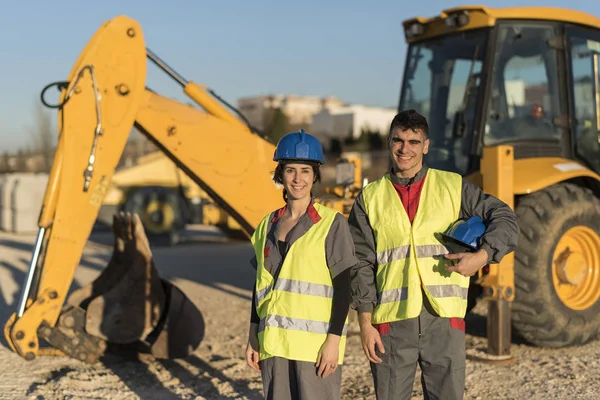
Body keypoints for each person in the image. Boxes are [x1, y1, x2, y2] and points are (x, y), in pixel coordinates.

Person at [348, 109, 519, 400]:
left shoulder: (453, 187)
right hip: (391, 323)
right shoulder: (370, 198)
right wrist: (366, 324)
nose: (405, 149)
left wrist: (483, 255)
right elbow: (360, 263)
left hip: (444, 320)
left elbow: (505, 217)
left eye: (414, 142)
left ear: (426, 146)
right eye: (398, 140)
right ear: (390, 143)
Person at [245, 128, 359, 400]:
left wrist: (334, 341)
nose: (298, 179)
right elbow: (259, 286)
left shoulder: (332, 224)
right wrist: (252, 336)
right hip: (273, 343)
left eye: (305, 170)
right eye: (291, 170)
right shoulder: (266, 225)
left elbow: (344, 288)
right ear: (280, 175)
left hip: (314, 348)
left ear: (315, 175)